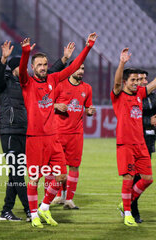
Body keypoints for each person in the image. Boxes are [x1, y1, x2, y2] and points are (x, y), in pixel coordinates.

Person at [19, 33, 97, 228]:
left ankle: (44, 208)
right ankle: (34, 214)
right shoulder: (27, 83)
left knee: (61, 176)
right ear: (33, 68)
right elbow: (21, 70)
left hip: (53, 138)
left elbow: (72, 67)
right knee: (35, 178)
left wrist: (88, 47)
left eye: (45, 64)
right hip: (35, 138)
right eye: (39, 65)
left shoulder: (53, 79)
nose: (43, 67)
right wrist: (26, 52)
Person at [0, 40, 73, 222]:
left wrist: (64, 59)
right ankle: (30, 211)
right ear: (16, 68)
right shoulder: (4, 83)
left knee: (16, 173)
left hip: (27, 132)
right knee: (17, 172)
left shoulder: (29, 83)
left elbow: (51, 73)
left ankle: (6, 210)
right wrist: (3, 60)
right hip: (10, 132)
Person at [112, 47, 156, 227]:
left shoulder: (140, 94)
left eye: (136, 80)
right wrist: (122, 62)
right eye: (132, 80)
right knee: (128, 179)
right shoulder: (118, 95)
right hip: (125, 144)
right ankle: (127, 213)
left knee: (148, 179)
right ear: (125, 82)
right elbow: (117, 82)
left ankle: (124, 204)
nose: (135, 83)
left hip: (141, 144)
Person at [50, 61, 96, 210]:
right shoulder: (60, 85)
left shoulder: (87, 88)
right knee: (55, 167)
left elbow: (88, 108)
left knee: (74, 166)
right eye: (78, 68)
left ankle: (69, 200)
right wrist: (56, 106)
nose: (81, 71)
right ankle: (57, 196)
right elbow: (45, 104)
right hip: (58, 133)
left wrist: (90, 111)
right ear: (70, 70)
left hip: (76, 134)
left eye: (83, 68)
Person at [130, 69, 156, 223]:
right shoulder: (131, 96)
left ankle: (127, 205)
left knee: (142, 178)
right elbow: (129, 118)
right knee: (135, 178)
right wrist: (148, 121)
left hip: (149, 140)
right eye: (141, 79)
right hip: (135, 141)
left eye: (145, 78)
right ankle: (132, 209)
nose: (145, 81)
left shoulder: (151, 96)